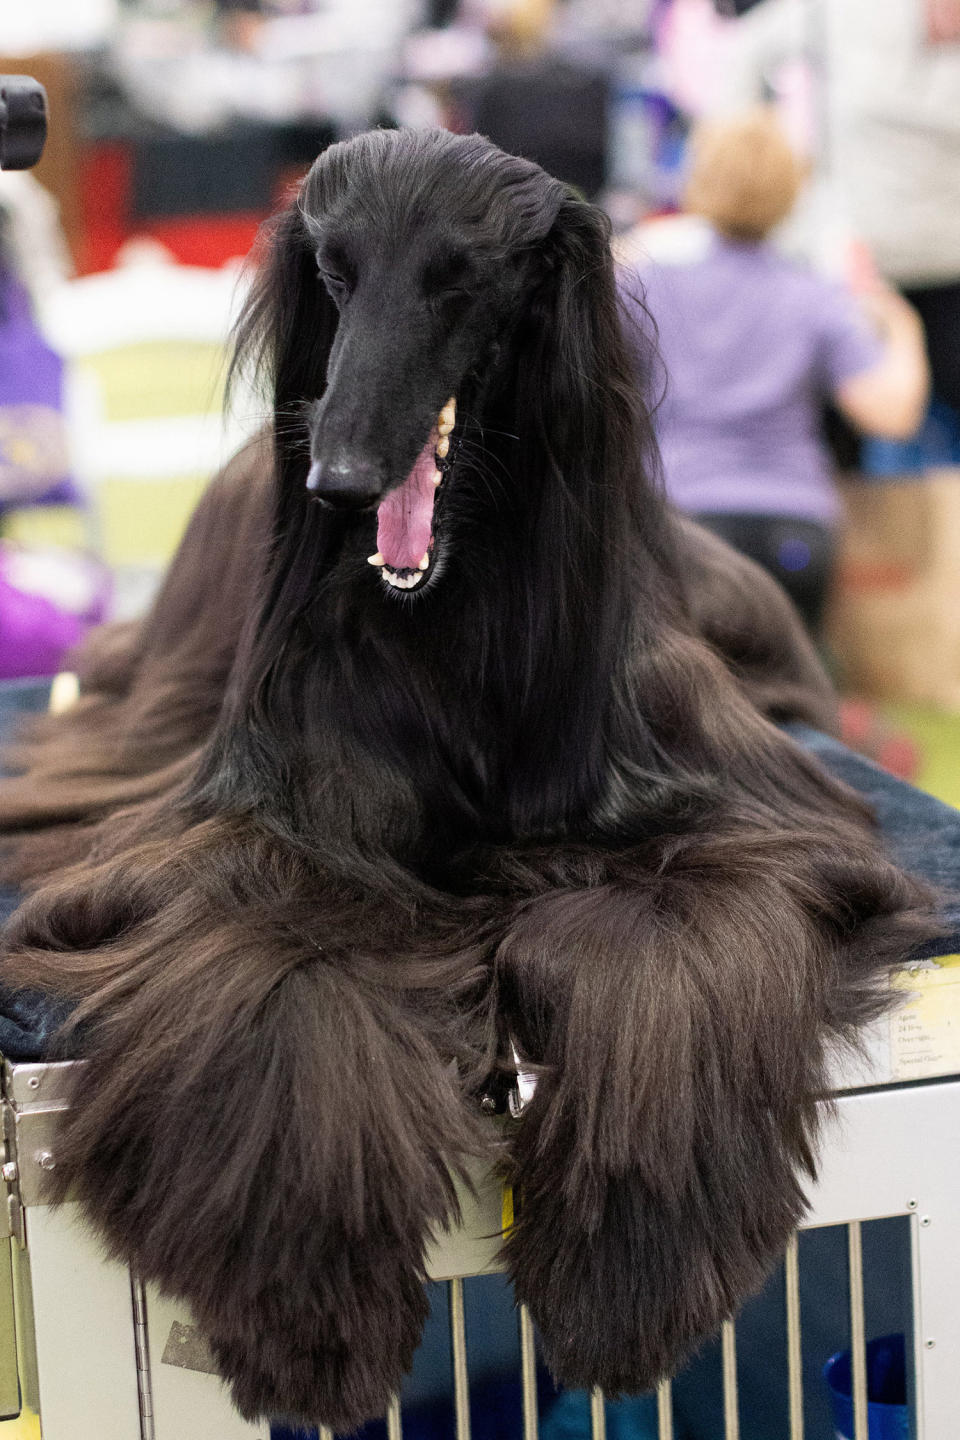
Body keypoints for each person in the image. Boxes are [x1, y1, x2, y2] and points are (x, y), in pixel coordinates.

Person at [619, 108, 930, 634]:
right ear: (792, 192)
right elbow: (891, 414)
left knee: (679, 697)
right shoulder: (816, 298)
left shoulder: (646, 285)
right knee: (787, 699)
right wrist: (904, 326)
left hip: (683, 517)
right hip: (795, 529)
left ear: (698, 179)